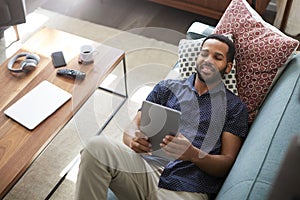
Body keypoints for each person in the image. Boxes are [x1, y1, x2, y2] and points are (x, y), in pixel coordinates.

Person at [75, 34, 249, 200]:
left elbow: (226, 163)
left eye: (217, 57)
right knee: (95, 147)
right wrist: (133, 141)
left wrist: (193, 155)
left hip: (187, 186)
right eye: (204, 54)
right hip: (145, 169)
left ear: (228, 67)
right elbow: (132, 128)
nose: (208, 60)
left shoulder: (234, 107)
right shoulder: (166, 88)